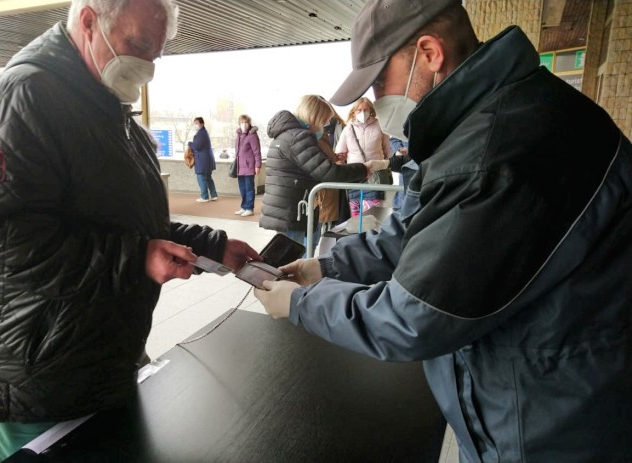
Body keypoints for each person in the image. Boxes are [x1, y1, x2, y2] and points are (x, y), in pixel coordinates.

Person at [255, 0, 632, 461]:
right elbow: (416, 234)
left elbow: (413, 316)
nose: (374, 102)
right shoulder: (492, 119)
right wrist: (326, 266)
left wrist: (301, 304)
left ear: (430, 54)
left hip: (552, 421)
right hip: (538, 393)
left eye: (378, 82)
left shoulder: (494, 150)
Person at [0, 1, 261, 461]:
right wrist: (136, 258)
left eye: (155, 52)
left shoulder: (107, 109)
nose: (146, 65)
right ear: (90, 21)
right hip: (35, 372)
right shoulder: (23, 97)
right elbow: (6, 242)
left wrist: (214, 245)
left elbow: (132, 224)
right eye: (136, 45)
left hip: (95, 358)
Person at [259, 95, 380, 255]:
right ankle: (298, 280)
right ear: (315, 116)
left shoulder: (286, 134)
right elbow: (327, 172)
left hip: (287, 207)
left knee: (294, 253)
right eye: (324, 120)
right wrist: (363, 169)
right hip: (294, 210)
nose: (326, 125)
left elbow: (311, 165)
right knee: (295, 256)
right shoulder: (298, 137)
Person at [335, 97, 392, 217]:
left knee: (371, 215)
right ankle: (359, 235)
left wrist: (386, 165)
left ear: (371, 110)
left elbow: (388, 150)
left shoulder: (380, 126)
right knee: (356, 216)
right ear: (353, 112)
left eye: (366, 109)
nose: (362, 113)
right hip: (354, 176)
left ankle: (369, 235)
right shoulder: (348, 129)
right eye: (359, 110)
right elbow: (340, 153)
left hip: (375, 176)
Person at [233, 114, 262, 217]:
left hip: (249, 166)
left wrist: (258, 165)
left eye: (245, 122)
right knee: (242, 188)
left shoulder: (252, 135)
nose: (244, 124)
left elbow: (257, 152)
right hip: (240, 167)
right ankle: (244, 207)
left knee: (249, 188)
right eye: (241, 122)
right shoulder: (239, 135)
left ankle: (249, 208)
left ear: (249, 123)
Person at [188, 116, 218, 202]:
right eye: (194, 124)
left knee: (201, 178)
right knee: (208, 178)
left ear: (202, 123)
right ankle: (214, 195)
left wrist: (190, 143)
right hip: (207, 159)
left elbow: (197, 147)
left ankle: (204, 197)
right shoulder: (204, 132)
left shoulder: (201, 134)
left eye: (197, 123)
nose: (195, 125)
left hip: (202, 160)